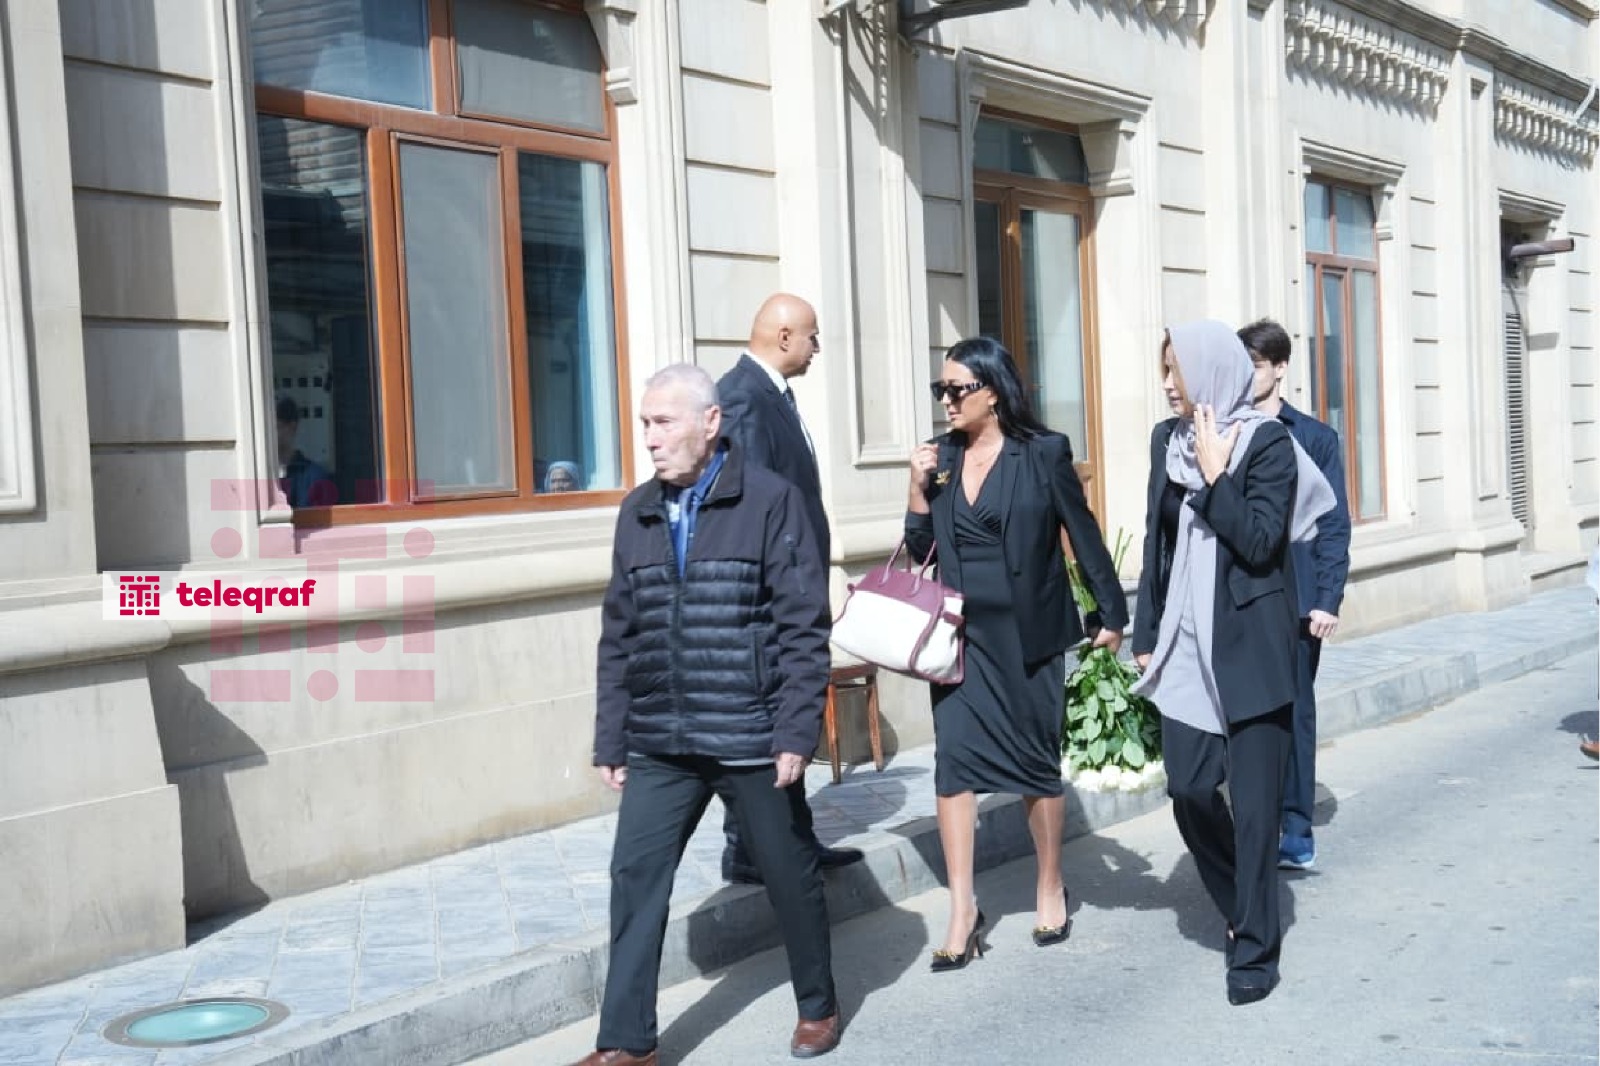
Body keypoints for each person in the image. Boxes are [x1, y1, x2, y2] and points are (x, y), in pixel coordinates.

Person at [576, 364, 840, 1066]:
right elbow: (619, 634)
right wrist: (611, 736)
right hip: (661, 736)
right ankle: (626, 1043)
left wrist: (796, 730)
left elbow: (803, 625)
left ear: (711, 423)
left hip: (748, 730)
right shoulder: (637, 511)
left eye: (664, 422)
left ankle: (818, 1005)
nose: (650, 438)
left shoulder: (770, 500)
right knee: (634, 876)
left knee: (787, 871)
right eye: (645, 424)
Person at [905, 336, 1127, 972]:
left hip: (1027, 637)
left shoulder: (1043, 452)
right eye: (940, 390)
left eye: (957, 389)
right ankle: (962, 911)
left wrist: (1111, 613)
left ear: (993, 392)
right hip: (960, 640)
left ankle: (1050, 884)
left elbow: (1082, 532)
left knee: (1035, 765)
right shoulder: (941, 458)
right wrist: (916, 490)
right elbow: (919, 549)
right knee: (954, 766)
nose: (946, 401)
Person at [1130, 320, 1335, 1006]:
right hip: (1185, 643)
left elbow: (1259, 542)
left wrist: (1218, 475)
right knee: (1189, 790)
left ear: (1211, 373)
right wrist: (1145, 630)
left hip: (1252, 649)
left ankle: (1254, 948)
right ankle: (1242, 899)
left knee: (1254, 812)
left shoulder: (1268, 443)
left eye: (1177, 371)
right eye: (1165, 370)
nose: (1168, 384)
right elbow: (1158, 545)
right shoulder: (1167, 442)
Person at [714, 293, 863, 885]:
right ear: (783, 337)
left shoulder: (772, 393)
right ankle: (747, 850)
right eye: (812, 336)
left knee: (788, 716)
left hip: (793, 588)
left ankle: (794, 842)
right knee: (766, 719)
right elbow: (753, 508)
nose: (817, 347)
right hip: (772, 597)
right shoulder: (743, 398)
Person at [1239, 319, 1352, 871]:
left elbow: (1333, 524)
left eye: (1257, 365)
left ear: (1280, 368)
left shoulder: (1313, 437)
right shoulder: (1226, 432)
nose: (1248, 375)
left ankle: (1296, 829)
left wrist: (1328, 596)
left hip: (1299, 599)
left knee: (1295, 711)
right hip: (1241, 595)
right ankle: (1250, 823)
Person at [275, 396, 333, 507]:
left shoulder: (316, 477)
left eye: (276, 427)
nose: (267, 434)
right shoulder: (256, 474)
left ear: (292, 427)